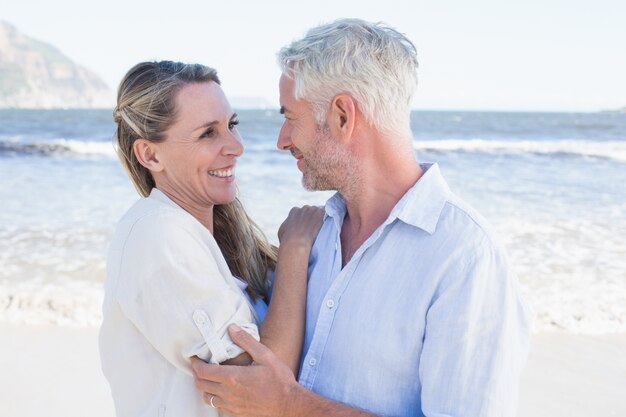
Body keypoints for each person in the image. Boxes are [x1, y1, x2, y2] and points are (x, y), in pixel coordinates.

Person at [191, 18, 530, 417]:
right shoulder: (310, 236)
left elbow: (278, 397)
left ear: (342, 115)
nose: (282, 140)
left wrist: (289, 405)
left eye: (290, 117)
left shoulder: (465, 258)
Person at [99, 61, 322, 417]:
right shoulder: (158, 235)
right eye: (208, 133)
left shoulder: (208, 237)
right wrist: (295, 249)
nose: (236, 146)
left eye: (232, 125)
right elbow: (261, 391)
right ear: (150, 154)